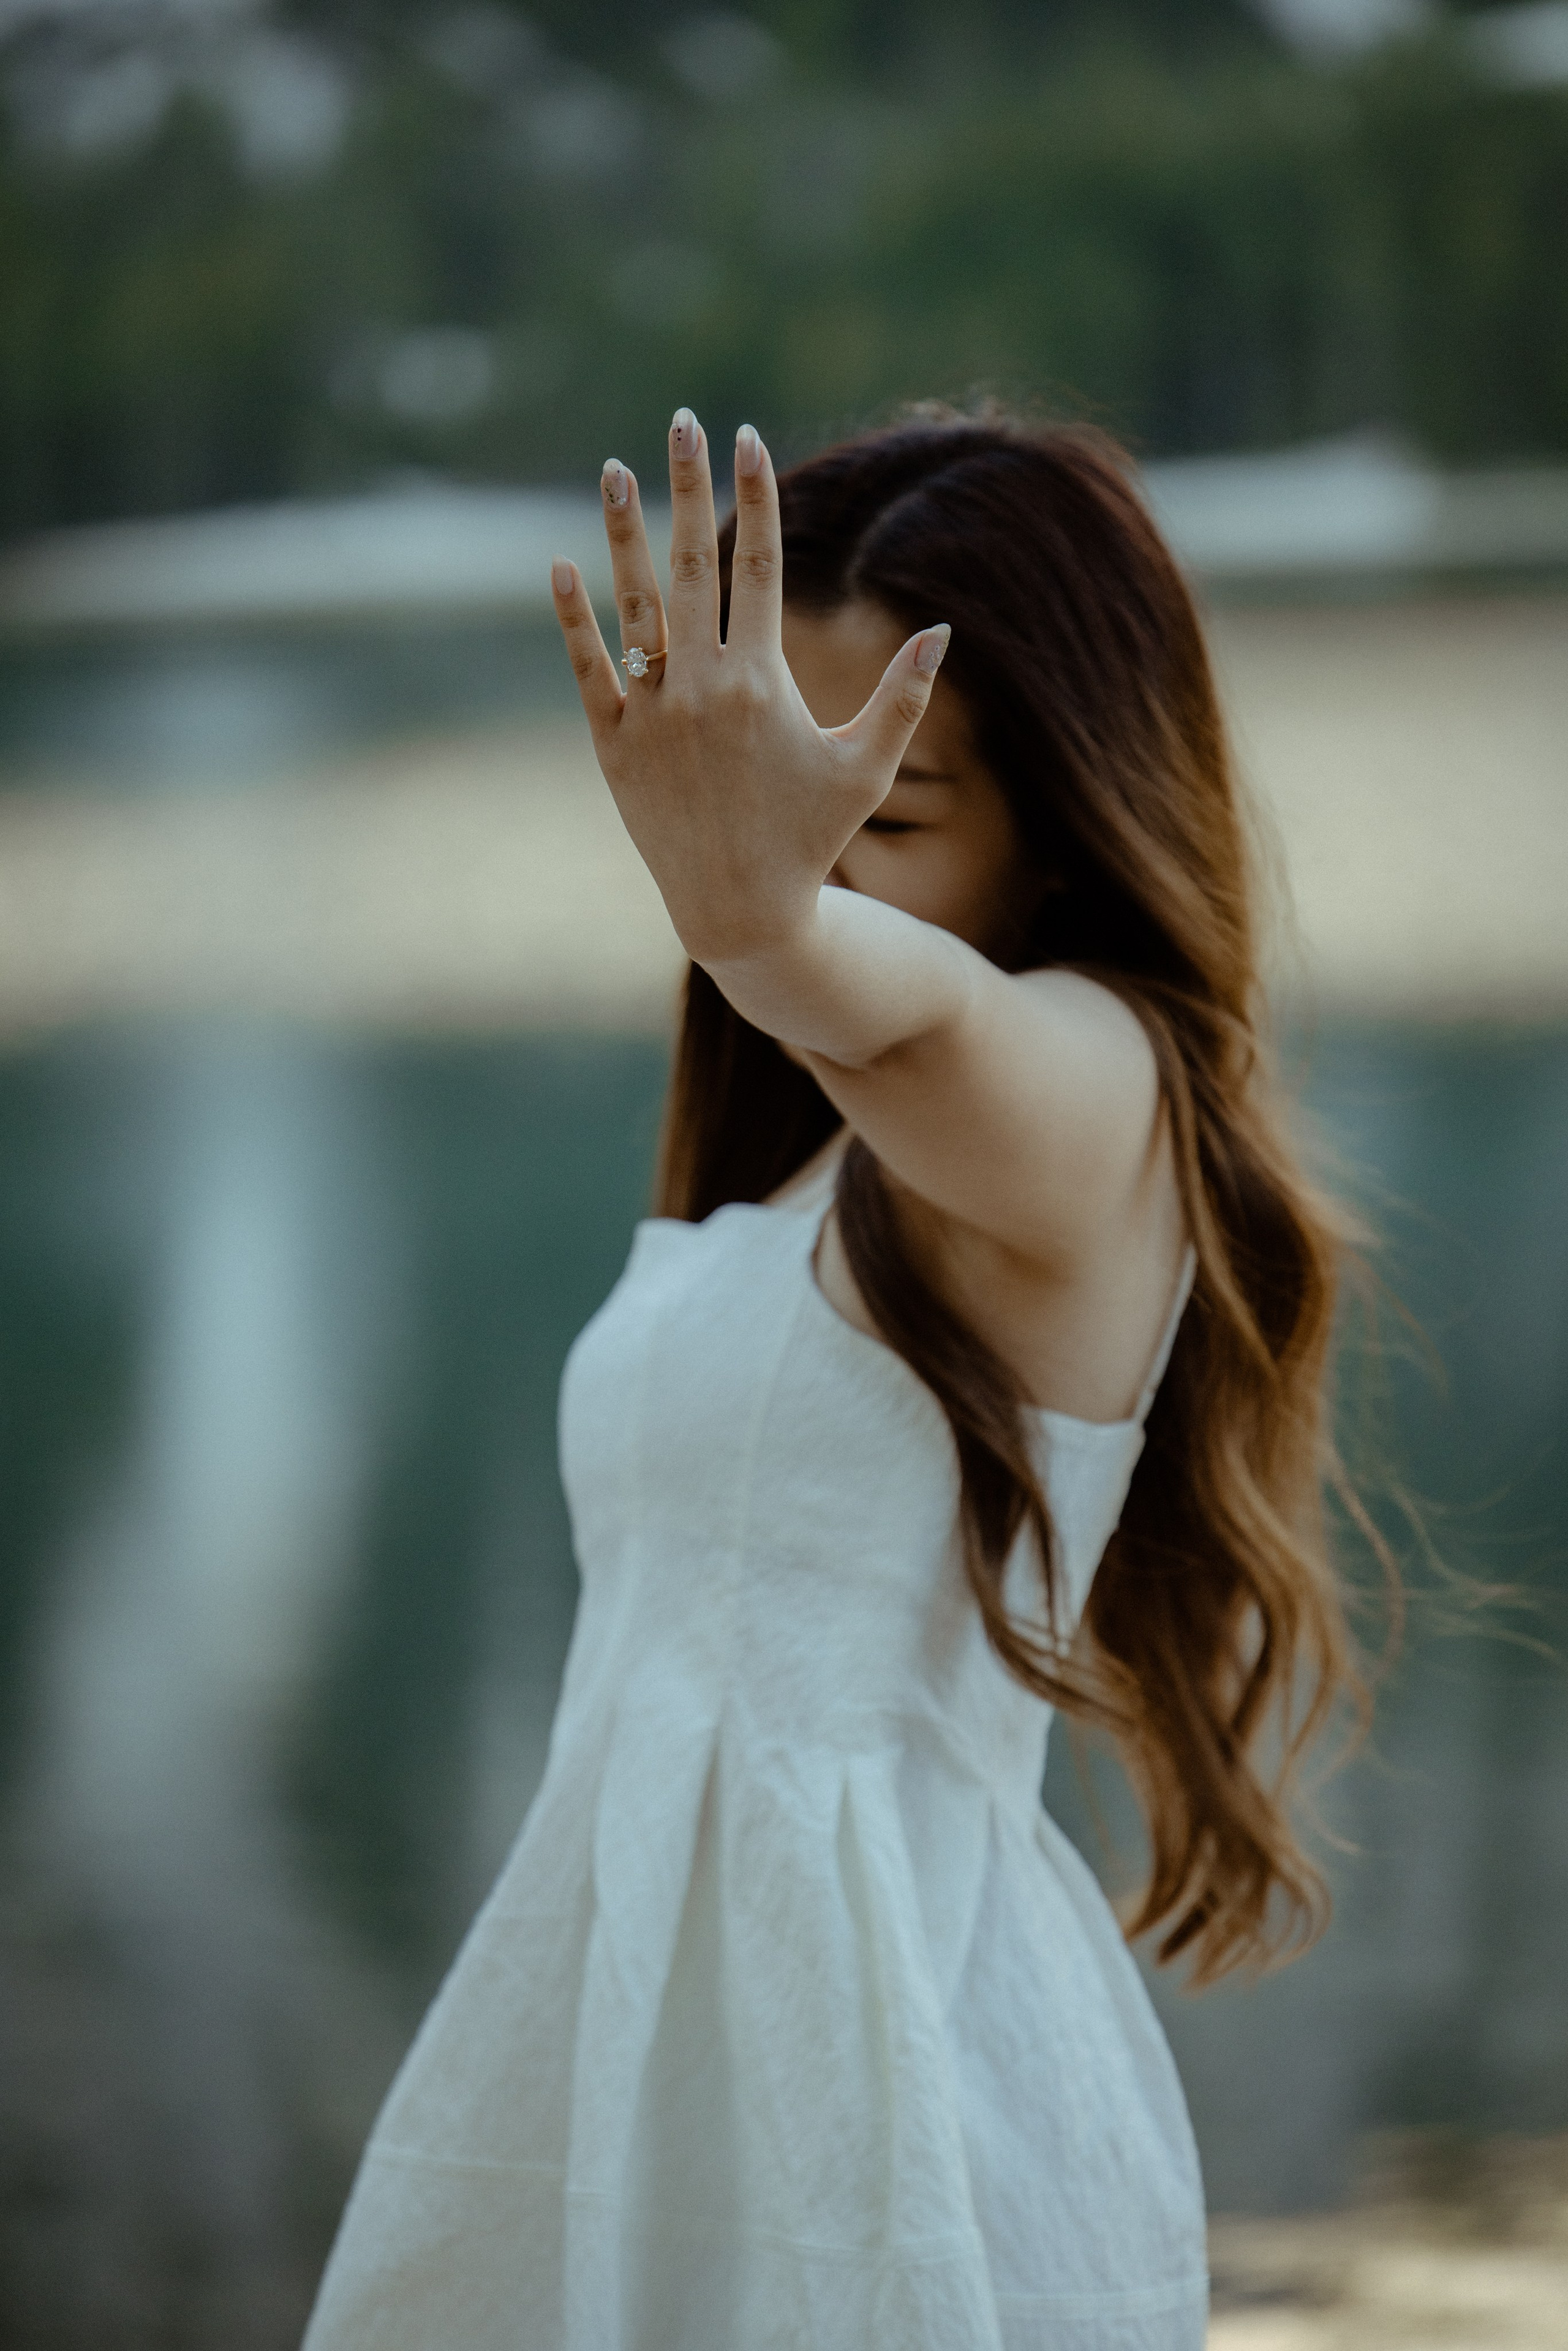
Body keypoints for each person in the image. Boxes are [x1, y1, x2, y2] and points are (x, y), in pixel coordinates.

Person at [303, 406, 1368, 2351]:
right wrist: (768, 929)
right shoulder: (810, 1154)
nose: (796, 838)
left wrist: (760, 921)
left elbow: (926, 1017)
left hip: (902, 2113)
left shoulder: (1099, 1099)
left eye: (882, 804)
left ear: (1066, 819)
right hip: (630, 2063)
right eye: (766, 777)